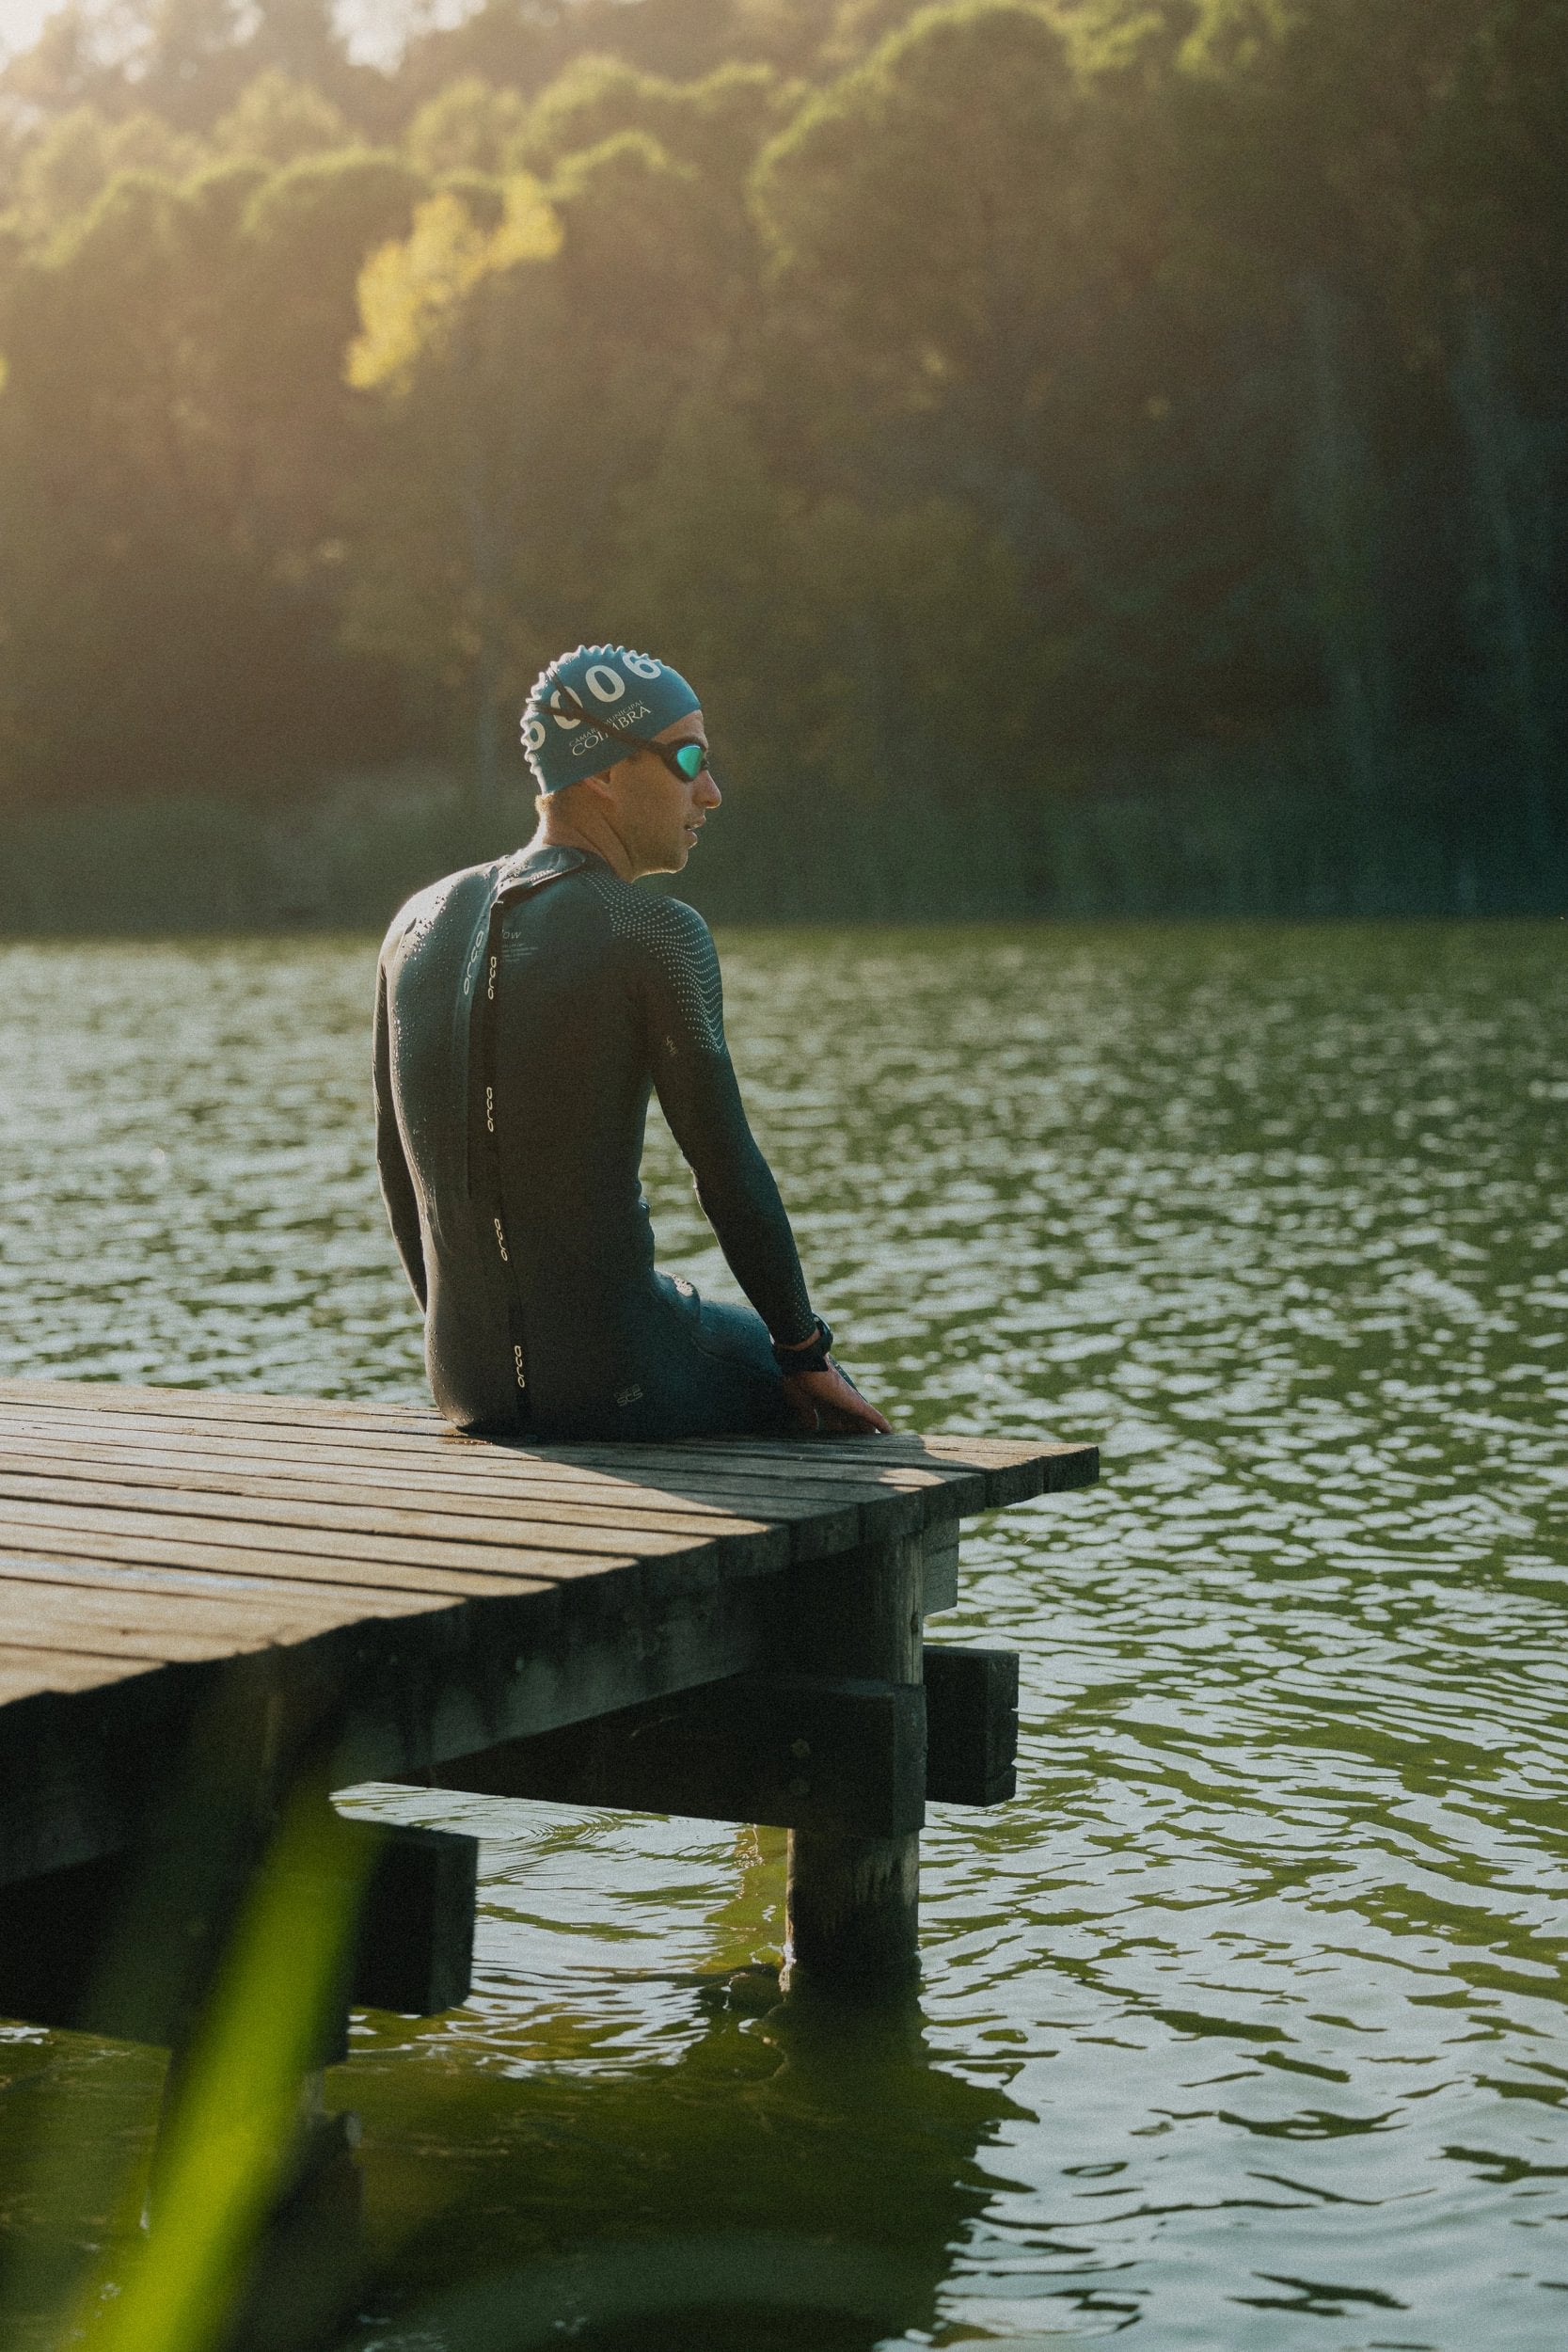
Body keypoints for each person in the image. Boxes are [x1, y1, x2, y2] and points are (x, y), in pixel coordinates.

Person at [373, 642, 892, 1444]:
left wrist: (472, 1349)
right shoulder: (652, 930)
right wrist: (803, 1346)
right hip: (619, 1377)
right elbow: (725, 1167)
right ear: (604, 772)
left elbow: (397, 1170)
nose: (710, 792)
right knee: (827, 1399)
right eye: (688, 758)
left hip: (462, 1383)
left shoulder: (414, 921)